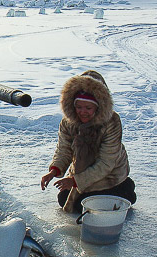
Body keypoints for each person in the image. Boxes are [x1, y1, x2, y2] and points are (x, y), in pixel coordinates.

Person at [40, 70, 136, 214]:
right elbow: (64, 150)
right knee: (64, 199)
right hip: (81, 174)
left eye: (88, 108)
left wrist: (74, 181)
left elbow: (106, 163)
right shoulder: (68, 123)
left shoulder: (112, 122)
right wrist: (54, 171)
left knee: (94, 206)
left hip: (110, 175)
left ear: (99, 107)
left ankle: (125, 187)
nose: (82, 112)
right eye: (79, 107)